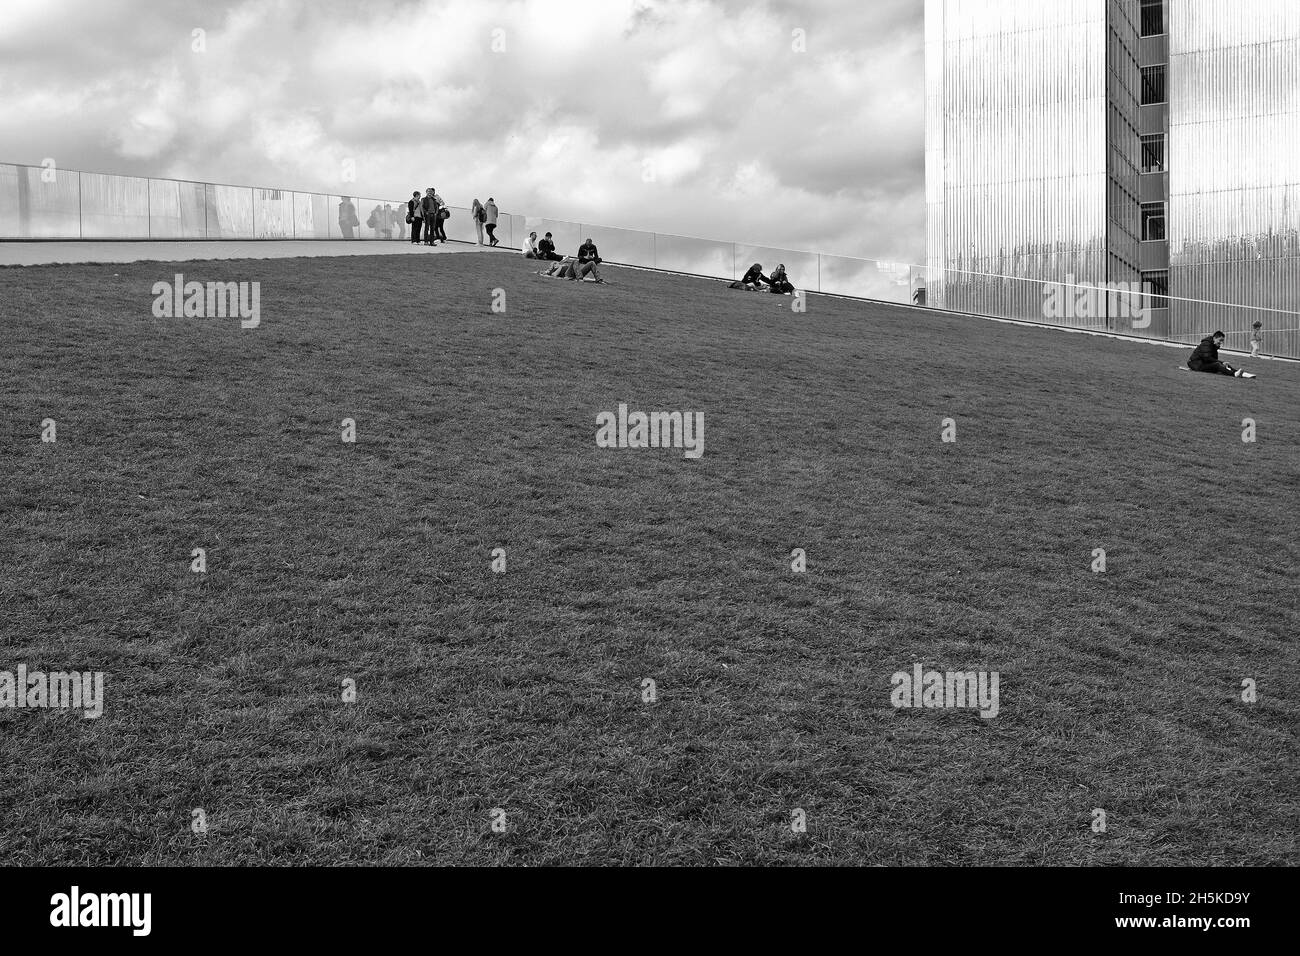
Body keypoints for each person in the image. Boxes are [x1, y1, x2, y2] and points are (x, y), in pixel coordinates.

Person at [1187, 331, 1256, 378]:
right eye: (1220, 340)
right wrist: (1221, 362)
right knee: (1218, 365)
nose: (1221, 343)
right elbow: (1207, 358)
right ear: (1214, 338)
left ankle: (1242, 374)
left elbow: (1213, 358)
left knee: (1224, 364)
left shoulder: (1213, 345)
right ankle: (1234, 374)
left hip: (1202, 363)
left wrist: (1222, 362)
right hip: (1195, 364)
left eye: (1222, 341)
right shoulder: (1206, 344)